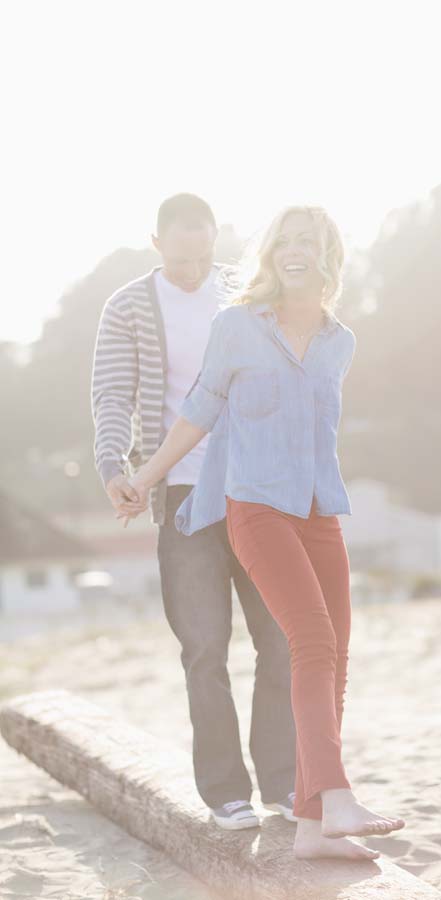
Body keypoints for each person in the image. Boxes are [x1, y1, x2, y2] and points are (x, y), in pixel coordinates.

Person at [117, 205, 405, 861]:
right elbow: (198, 413)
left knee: (336, 659)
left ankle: (309, 828)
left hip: (319, 510)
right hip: (255, 508)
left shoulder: (340, 342)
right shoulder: (237, 326)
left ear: (327, 256)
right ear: (270, 253)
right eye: (285, 241)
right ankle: (334, 795)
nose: (294, 251)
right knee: (309, 642)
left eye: (309, 242)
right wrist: (147, 479)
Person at [91, 193, 297, 831]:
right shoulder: (128, 306)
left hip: (256, 489)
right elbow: (110, 392)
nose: (191, 254)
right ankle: (225, 793)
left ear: (214, 238)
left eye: (202, 241)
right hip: (180, 493)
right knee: (205, 648)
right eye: (178, 244)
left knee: (282, 640)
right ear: (156, 242)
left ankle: (285, 785)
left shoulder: (246, 296)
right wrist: (112, 467)